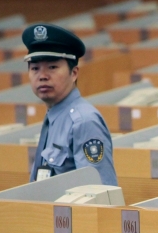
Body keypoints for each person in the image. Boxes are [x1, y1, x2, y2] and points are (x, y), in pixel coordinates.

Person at [22, 23, 118, 186]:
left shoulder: (84, 121)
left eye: (52, 67)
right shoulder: (55, 115)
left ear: (73, 73)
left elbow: (97, 194)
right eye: (35, 68)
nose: (42, 76)